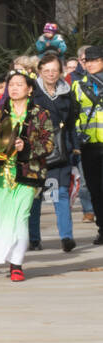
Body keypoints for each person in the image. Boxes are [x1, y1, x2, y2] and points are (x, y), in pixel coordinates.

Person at [0, 69, 55, 280]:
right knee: (2, 219)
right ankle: (7, 255)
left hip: (27, 175)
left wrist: (24, 146)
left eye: (19, 84)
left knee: (21, 218)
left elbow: (49, 144)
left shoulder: (40, 113)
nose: (15, 88)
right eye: (11, 85)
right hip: (0, 176)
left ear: (29, 89)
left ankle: (17, 264)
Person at [28, 53, 79, 252]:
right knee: (35, 196)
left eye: (54, 70)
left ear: (61, 72)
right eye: (46, 70)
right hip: (35, 152)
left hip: (60, 151)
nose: (50, 74)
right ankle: (34, 239)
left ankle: (67, 237)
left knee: (60, 194)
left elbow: (72, 124)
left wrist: (75, 147)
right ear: (40, 71)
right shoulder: (32, 92)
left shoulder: (67, 94)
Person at [73, 45, 103, 244]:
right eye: (87, 61)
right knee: (95, 188)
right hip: (89, 145)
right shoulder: (78, 86)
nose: (90, 64)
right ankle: (102, 228)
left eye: (94, 60)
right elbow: (73, 116)